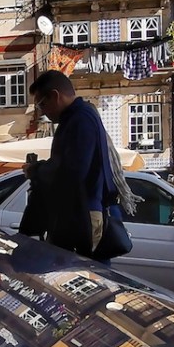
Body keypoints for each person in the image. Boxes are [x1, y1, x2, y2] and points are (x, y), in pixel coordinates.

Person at [19, 70, 136, 258]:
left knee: (86, 269)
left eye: (42, 104)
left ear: (55, 96)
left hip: (83, 213)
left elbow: (72, 170)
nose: (42, 112)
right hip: (82, 211)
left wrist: (36, 170)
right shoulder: (78, 117)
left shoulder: (80, 120)